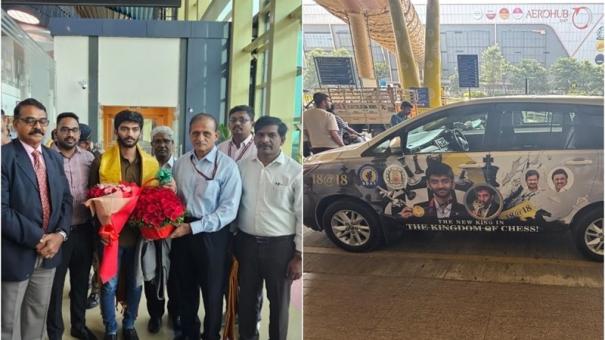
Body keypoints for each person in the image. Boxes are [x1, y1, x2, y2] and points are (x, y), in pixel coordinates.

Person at [2, 98, 72, 340]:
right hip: (14, 254)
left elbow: (66, 201)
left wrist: (60, 235)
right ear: (15, 123)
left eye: (42, 121)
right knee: (7, 324)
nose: (37, 127)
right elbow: (1, 210)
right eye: (30, 121)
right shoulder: (4, 157)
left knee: (36, 316)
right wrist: (41, 238)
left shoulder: (54, 158)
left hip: (49, 255)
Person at [89, 110, 160, 340]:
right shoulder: (102, 160)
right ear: (116, 130)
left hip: (139, 235)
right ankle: (110, 327)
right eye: (125, 128)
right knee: (109, 283)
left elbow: (155, 197)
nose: (130, 134)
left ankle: (129, 324)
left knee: (135, 281)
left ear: (141, 132)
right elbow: (91, 197)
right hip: (111, 235)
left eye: (135, 129)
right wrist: (101, 228)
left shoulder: (150, 163)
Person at [170, 113, 242, 340]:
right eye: (195, 133)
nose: (200, 138)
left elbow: (228, 210)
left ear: (216, 135)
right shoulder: (181, 163)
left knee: (212, 291)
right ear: (190, 134)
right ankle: (189, 333)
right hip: (182, 233)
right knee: (185, 288)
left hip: (212, 235)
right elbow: (173, 199)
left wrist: (193, 228)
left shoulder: (227, 167)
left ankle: (211, 334)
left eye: (206, 133)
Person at [235, 116, 302, 340]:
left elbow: (301, 215)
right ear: (254, 138)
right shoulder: (243, 167)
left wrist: (299, 256)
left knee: (279, 305)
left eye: (271, 135)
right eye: (261, 134)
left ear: (282, 139)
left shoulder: (294, 171)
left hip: (280, 248)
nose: (265, 139)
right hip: (247, 245)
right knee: (246, 302)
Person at [47, 112, 97, 340]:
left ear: (80, 133)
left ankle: (79, 325)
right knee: (55, 286)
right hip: (56, 232)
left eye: (74, 130)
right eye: (65, 129)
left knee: (80, 282)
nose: (70, 134)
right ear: (56, 132)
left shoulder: (89, 159)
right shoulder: (46, 157)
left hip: (84, 230)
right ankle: (55, 330)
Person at [143, 125, 179, 334]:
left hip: (176, 233)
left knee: (176, 275)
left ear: (173, 144)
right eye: (158, 141)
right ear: (152, 144)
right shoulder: (147, 167)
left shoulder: (183, 166)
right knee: (152, 275)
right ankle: (155, 314)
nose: (162, 145)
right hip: (149, 233)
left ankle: (174, 313)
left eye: (166, 141)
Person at [400, 162, 466, 219]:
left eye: (445, 181)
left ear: (453, 184)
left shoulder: (465, 210)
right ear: (428, 184)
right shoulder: (417, 209)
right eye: (434, 182)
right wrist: (402, 220)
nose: (440, 186)